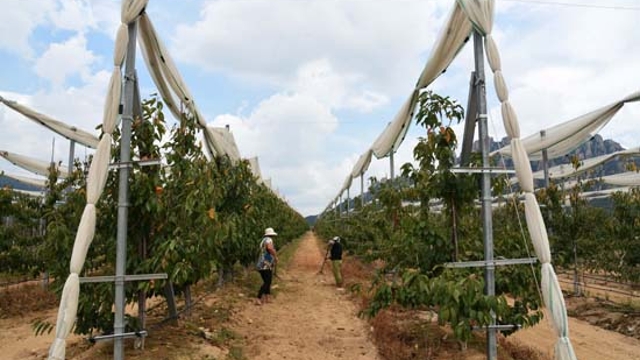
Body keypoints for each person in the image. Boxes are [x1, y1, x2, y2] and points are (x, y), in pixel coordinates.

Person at [256, 227, 278, 305]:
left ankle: (267, 297)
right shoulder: (269, 240)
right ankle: (258, 298)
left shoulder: (263, 241)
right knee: (267, 282)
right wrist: (275, 256)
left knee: (268, 281)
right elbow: (270, 248)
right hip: (265, 264)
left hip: (261, 263)